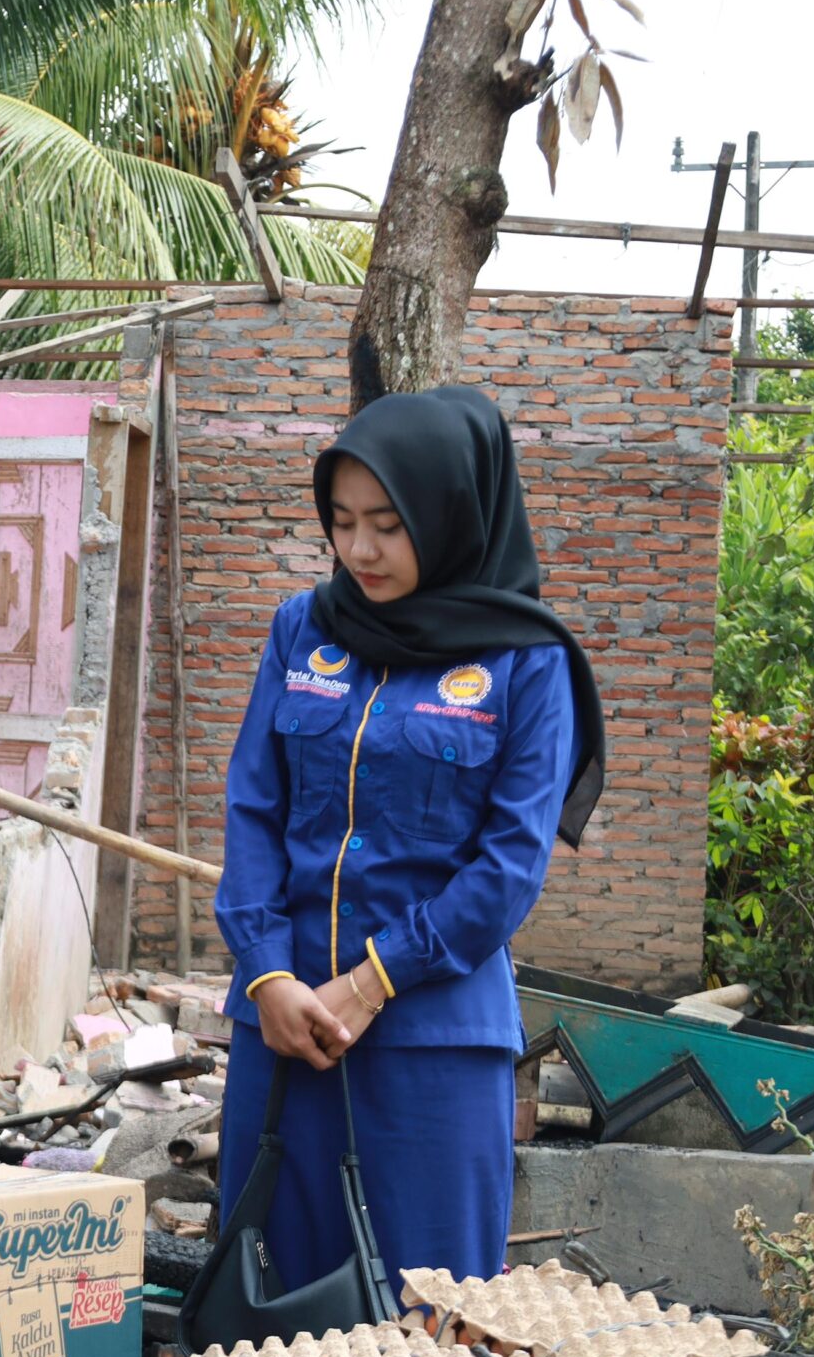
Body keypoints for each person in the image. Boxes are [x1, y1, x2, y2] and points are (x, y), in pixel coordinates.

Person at [213, 386, 605, 1289]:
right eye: (343, 521)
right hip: (281, 1031)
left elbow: (509, 865)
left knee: (427, 1325)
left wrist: (375, 978)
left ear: (453, 513)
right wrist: (268, 972)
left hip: (432, 1045)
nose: (359, 550)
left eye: (388, 524)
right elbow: (253, 808)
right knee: (264, 1329)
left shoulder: (524, 661)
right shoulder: (302, 630)